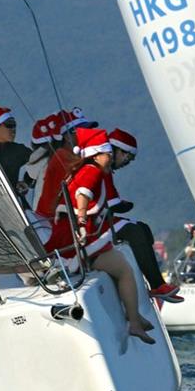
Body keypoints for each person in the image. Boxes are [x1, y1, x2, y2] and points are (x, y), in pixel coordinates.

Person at [44, 127, 155, 345]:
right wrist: (83, 220)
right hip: (77, 240)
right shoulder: (92, 171)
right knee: (124, 271)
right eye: (108, 153)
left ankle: (134, 316)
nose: (111, 157)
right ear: (97, 154)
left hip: (72, 237)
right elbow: (82, 194)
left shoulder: (85, 169)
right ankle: (133, 321)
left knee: (120, 266)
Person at [105, 128, 182, 302]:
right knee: (135, 232)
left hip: (101, 219)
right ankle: (156, 284)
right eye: (128, 157)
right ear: (116, 150)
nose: (128, 162)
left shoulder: (105, 169)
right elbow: (113, 203)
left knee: (143, 229)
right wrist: (125, 205)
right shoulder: (100, 169)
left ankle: (156, 282)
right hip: (94, 224)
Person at [34, 107, 96, 220]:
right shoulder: (61, 156)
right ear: (67, 137)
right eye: (82, 131)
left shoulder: (76, 157)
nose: (88, 134)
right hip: (50, 223)